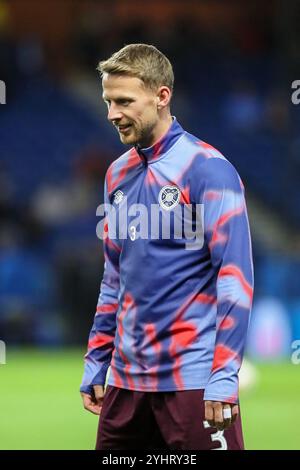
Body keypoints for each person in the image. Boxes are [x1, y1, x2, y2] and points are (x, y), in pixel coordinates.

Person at [80, 43, 254, 450]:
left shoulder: (208, 170)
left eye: (124, 101)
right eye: (107, 101)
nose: (112, 114)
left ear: (161, 97)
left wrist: (224, 377)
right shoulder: (116, 175)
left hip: (192, 384)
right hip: (125, 384)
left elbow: (235, 279)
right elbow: (114, 278)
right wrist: (96, 361)